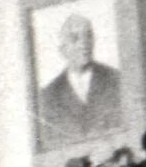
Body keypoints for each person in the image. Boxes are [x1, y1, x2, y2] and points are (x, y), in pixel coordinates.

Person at [36, 9, 125, 152]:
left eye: (88, 36)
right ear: (62, 49)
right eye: (75, 38)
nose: (84, 44)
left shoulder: (118, 81)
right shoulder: (47, 97)